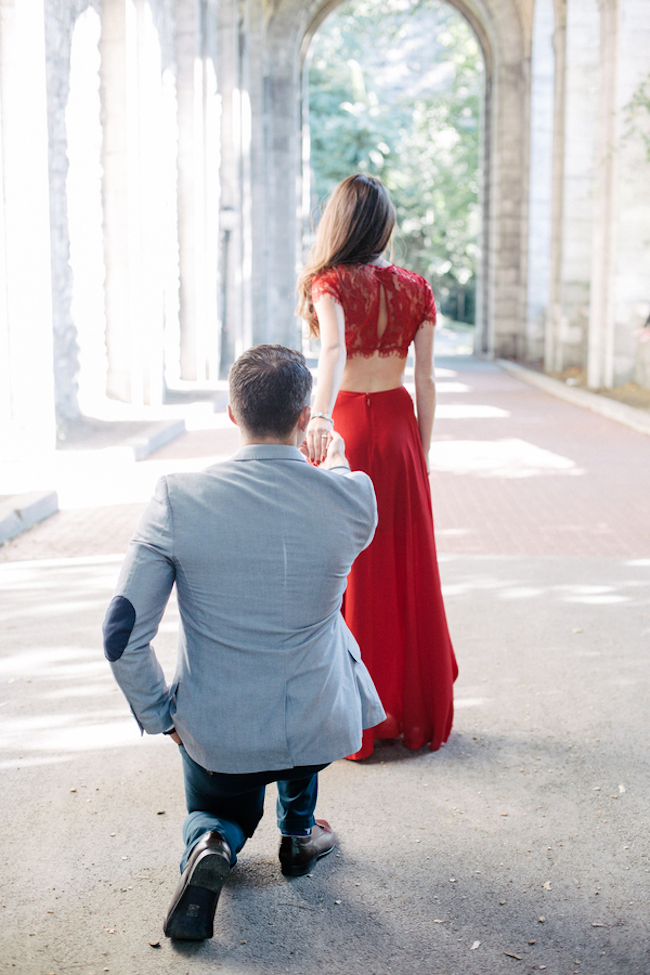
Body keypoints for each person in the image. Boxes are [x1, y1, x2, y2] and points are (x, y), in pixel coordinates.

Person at [102, 344, 384, 941]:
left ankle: (213, 841)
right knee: (302, 703)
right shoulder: (352, 497)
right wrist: (333, 459)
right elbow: (342, 487)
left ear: (232, 414)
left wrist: (159, 714)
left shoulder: (178, 499)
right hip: (319, 724)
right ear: (306, 417)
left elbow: (121, 633)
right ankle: (300, 835)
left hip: (220, 729)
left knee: (219, 803)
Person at [296, 173, 458, 761]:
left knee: (351, 566)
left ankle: (355, 718)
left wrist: (318, 420)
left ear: (339, 222)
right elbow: (427, 378)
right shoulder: (418, 288)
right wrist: (423, 447)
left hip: (351, 430)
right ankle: (411, 711)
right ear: (384, 225)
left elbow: (333, 352)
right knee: (407, 562)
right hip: (400, 427)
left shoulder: (329, 282)